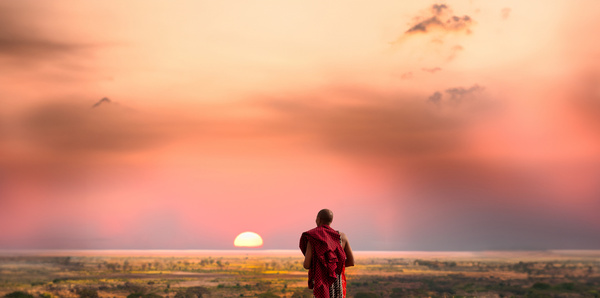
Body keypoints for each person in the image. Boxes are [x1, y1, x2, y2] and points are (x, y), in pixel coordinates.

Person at [299, 209, 355, 298]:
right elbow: (351, 262)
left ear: (318, 219)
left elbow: (306, 265)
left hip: (321, 285)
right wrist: (334, 267)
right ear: (331, 221)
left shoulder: (313, 238)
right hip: (337, 286)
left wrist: (321, 267)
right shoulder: (341, 237)